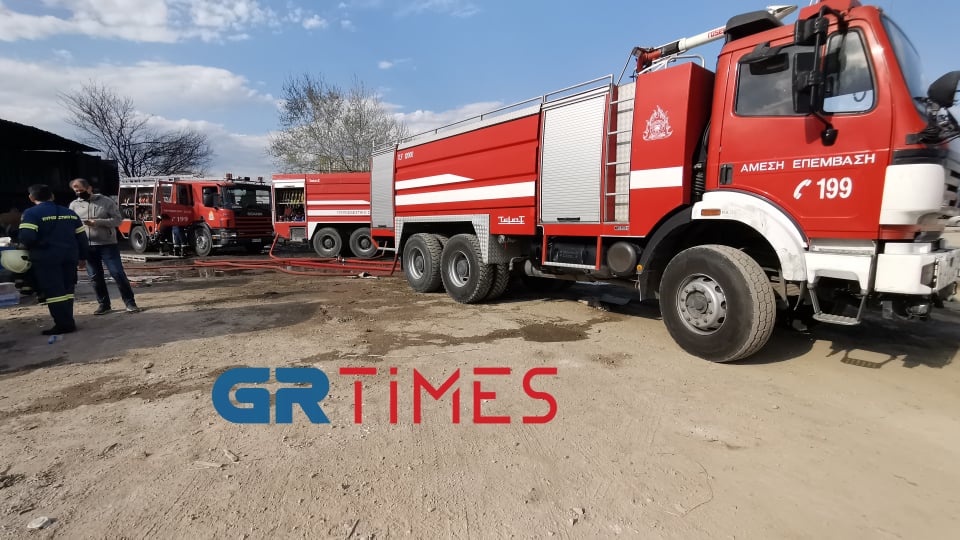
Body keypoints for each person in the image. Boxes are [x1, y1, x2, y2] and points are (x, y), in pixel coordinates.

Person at [18, 184, 89, 335]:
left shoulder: (31, 213)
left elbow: (27, 237)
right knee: (67, 290)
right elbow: (82, 238)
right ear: (52, 196)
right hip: (69, 257)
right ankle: (68, 321)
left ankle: (64, 325)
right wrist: (83, 257)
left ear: (31, 198)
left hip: (46, 258)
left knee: (55, 292)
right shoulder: (70, 213)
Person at [69, 178, 141, 314]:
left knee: (117, 273)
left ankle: (130, 303)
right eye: (76, 191)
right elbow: (71, 224)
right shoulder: (74, 205)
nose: (79, 193)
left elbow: (118, 220)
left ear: (89, 188)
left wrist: (97, 222)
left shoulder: (105, 201)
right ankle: (104, 305)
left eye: (81, 190)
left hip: (107, 244)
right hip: (88, 246)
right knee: (95, 277)